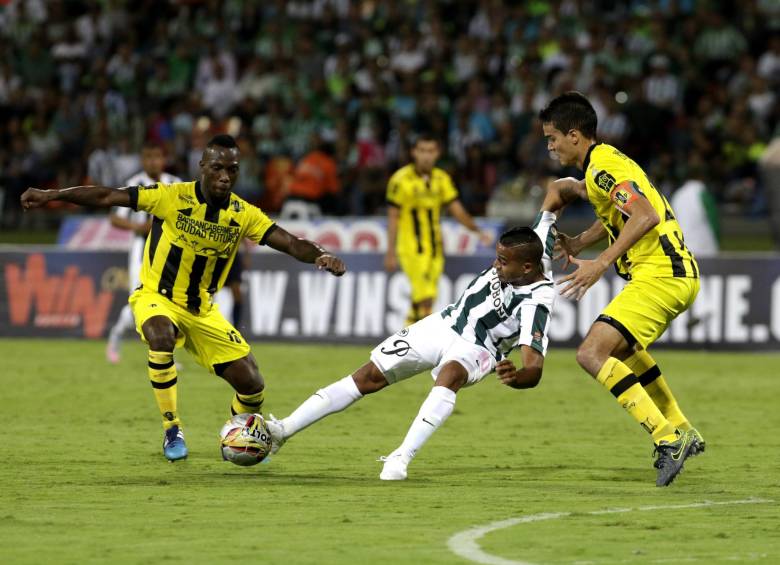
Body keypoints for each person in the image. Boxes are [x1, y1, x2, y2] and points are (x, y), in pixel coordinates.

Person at [21, 134, 346, 462]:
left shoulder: (242, 213)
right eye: (217, 168)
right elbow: (107, 195)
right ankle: (172, 429)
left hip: (202, 309)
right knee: (160, 336)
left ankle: (236, 434)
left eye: (232, 170)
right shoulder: (170, 196)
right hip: (156, 296)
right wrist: (52, 195)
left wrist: (320, 254)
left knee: (252, 384)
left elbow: (290, 242)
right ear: (202, 167)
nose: (225, 176)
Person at [266, 197, 562, 481]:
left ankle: (401, 457)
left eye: (502, 261)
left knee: (450, 375)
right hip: (445, 323)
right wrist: (585, 185)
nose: (496, 266)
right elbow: (556, 192)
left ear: (526, 268)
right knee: (368, 376)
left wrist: (517, 376)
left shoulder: (537, 302)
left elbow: (534, 369)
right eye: (497, 258)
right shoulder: (535, 244)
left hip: (480, 348)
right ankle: (283, 431)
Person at [539, 92, 703, 487]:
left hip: (661, 275)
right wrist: (580, 243)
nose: (549, 146)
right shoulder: (607, 163)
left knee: (591, 353)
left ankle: (667, 439)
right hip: (673, 274)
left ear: (575, 136)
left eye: (553, 138)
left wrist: (601, 262)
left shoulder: (601, 170)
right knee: (623, 350)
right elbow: (619, 211)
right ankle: (681, 427)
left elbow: (643, 215)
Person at [384, 133, 493, 327]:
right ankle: (425, 343)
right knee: (425, 296)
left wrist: (477, 231)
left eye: (431, 151)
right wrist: (390, 251)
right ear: (414, 153)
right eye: (422, 151)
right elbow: (393, 217)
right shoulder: (400, 180)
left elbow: (457, 210)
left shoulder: (441, 179)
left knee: (425, 299)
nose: (426, 156)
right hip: (410, 248)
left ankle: (405, 338)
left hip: (434, 247)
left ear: (437, 153)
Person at [106, 142, 182, 364]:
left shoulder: (176, 184)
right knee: (138, 302)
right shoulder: (134, 184)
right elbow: (114, 217)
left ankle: (165, 355)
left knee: (170, 302)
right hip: (142, 248)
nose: (153, 162)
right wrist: (138, 228)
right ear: (142, 160)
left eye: (157, 156)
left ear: (163, 158)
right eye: (148, 157)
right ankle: (116, 336)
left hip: (170, 250)